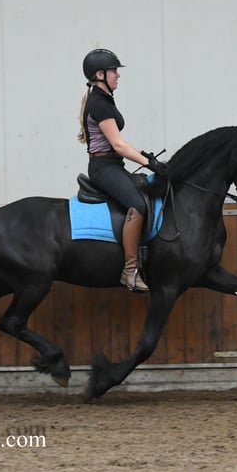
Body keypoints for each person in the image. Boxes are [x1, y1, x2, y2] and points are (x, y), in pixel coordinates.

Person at [77, 48, 167, 291]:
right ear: (99, 74)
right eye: (113, 70)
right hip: (103, 167)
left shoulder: (104, 99)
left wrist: (144, 156)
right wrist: (149, 163)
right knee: (137, 204)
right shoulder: (99, 103)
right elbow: (117, 144)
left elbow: (119, 144)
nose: (118, 75)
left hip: (112, 164)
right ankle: (130, 271)